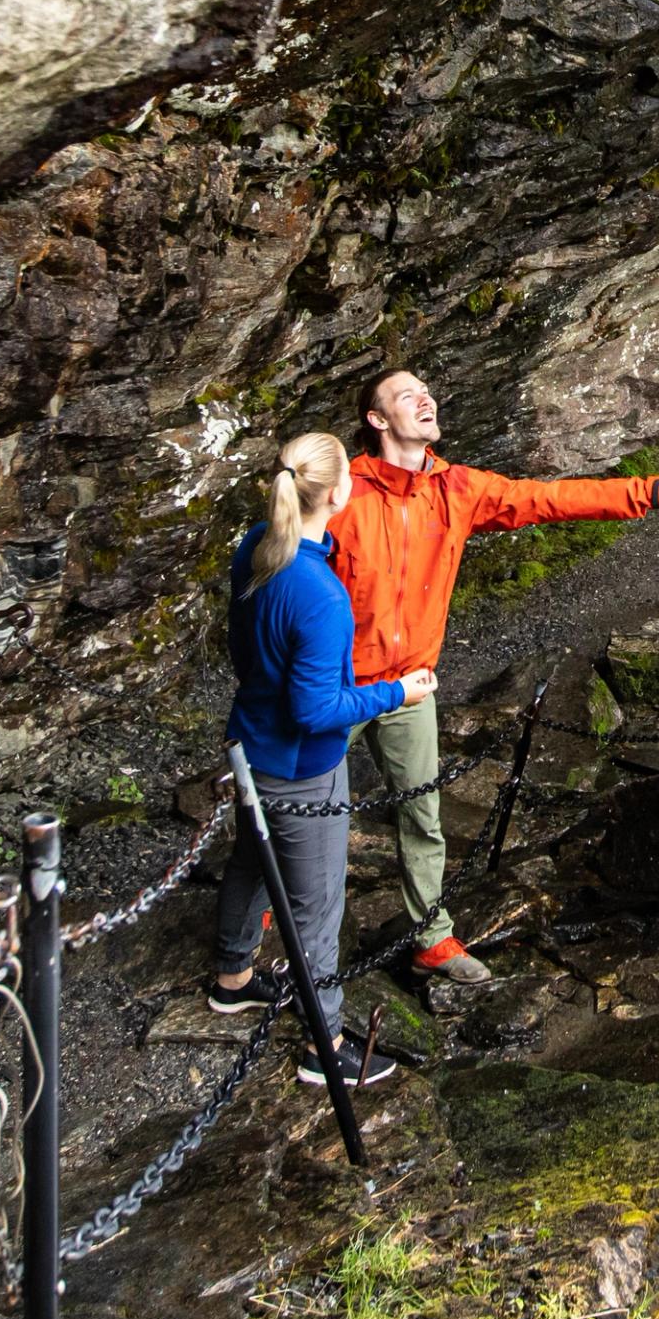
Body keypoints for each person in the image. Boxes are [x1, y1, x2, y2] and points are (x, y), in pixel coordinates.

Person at [338, 367, 659, 987]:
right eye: (407, 394)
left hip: (411, 685)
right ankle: (255, 934)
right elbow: (279, 573)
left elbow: (549, 499)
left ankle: (431, 941)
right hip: (336, 688)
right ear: (377, 419)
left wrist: (656, 490)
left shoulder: (455, 489)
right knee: (304, 817)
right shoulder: (342, 493)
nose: (427, 397)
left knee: (423, 812)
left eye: (427, 389)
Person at [208, 430, 428, 1088]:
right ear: (338, 492)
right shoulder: (322, 596)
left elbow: (241, 649)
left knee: (251, 856)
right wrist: (396, 692)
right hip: (299, 767)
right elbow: (316, 710)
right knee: (317, 905)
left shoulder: (256, 545)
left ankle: (232, 976)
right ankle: (324, 1046)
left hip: (249, 744)